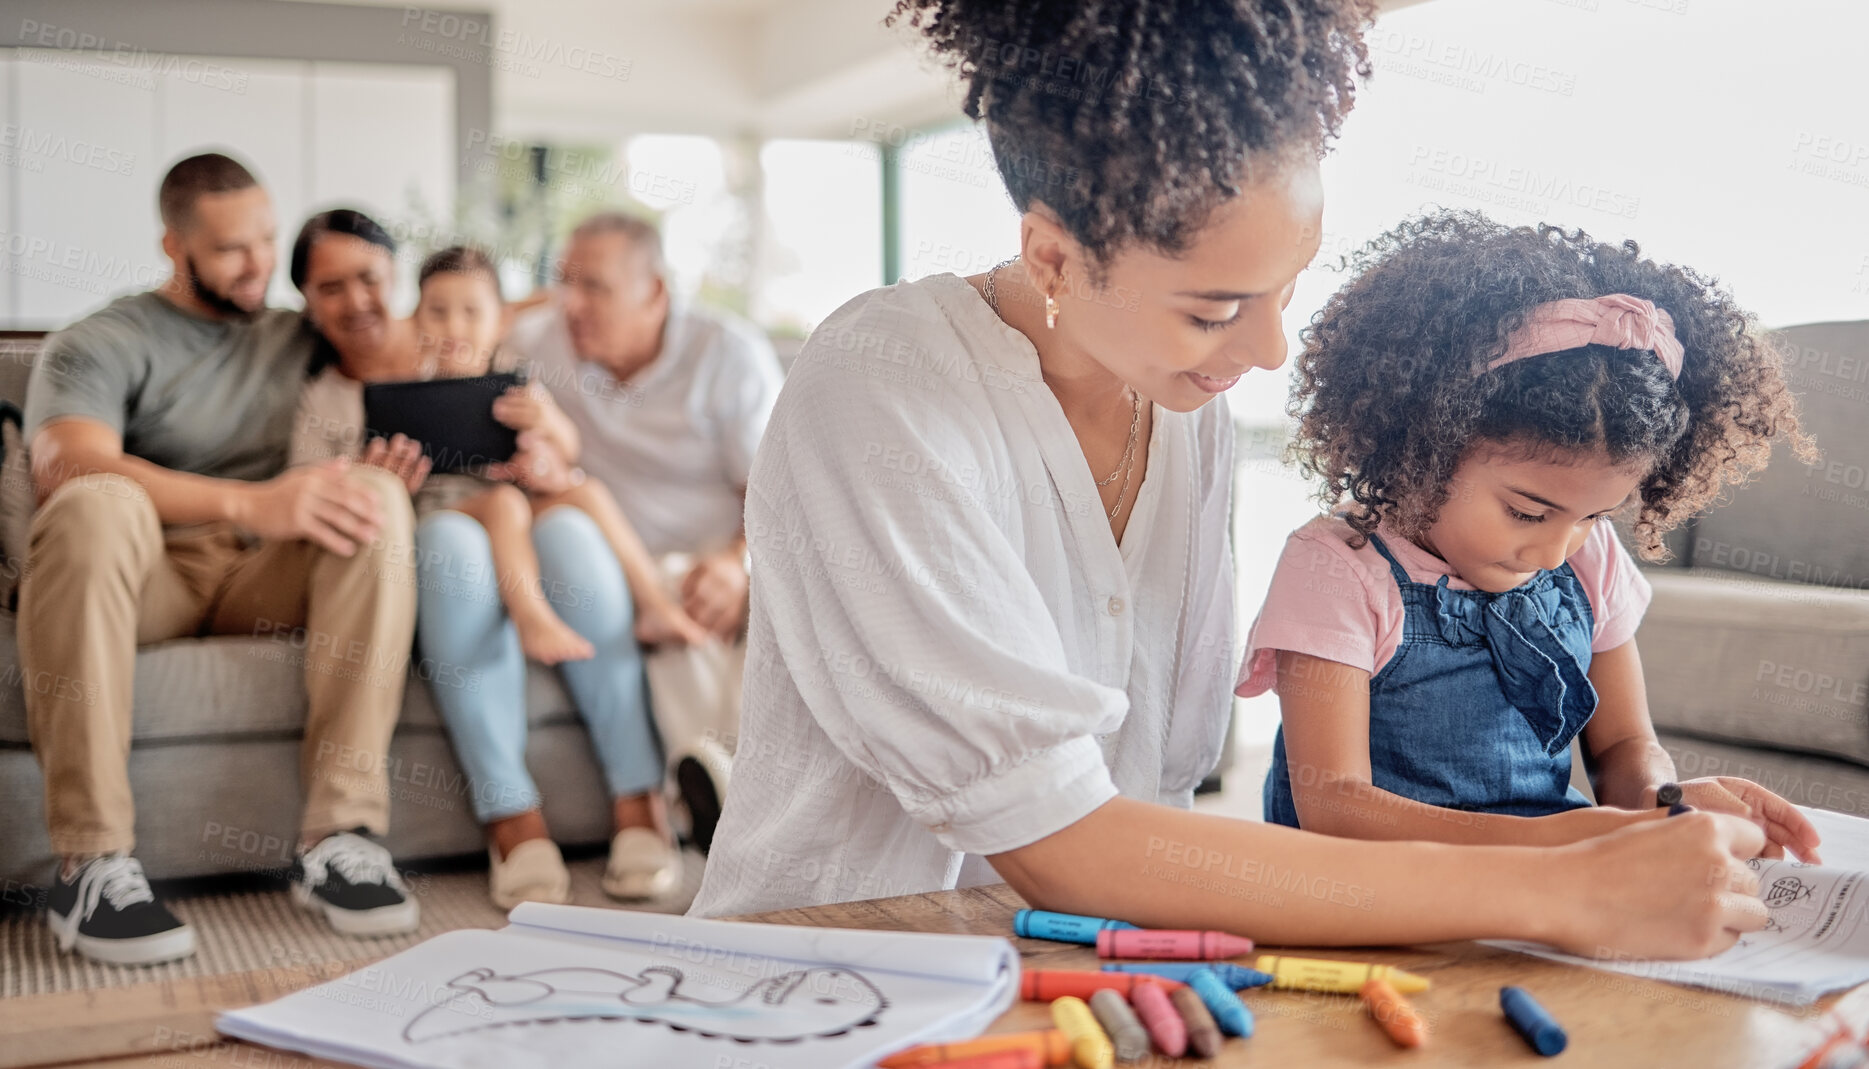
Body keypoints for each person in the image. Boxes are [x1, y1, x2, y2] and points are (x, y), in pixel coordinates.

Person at [689, 0, 1770, 962]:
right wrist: (1560, 879)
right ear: (1055, 259)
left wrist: (1625, 820)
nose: (1269, 349)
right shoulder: (882, 389)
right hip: (842, 974)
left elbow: (1153, 803)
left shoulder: (1178, 401)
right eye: (1215, 308)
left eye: (1287, 286)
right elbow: (1066, 838)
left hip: (1093, 976)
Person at [1241, 210, 1824, 861]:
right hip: (1374, 890)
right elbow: (1332, 805)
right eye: (1526, 511)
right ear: (1427, 443)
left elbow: (1624, 748)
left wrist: (1670, 802)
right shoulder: (1336, 567)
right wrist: (1549, 838)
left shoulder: (1588, 559)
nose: (1552, 552)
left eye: (1593, 517)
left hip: (1547, 874)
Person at [21, 154, 420, 966]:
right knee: (96, 499)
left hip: (258, 575)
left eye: (269, 240)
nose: (260, 264)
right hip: (147, 577)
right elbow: (65, 460)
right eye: (235, 248)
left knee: (372, 496)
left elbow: (442, 325)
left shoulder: (293, 334)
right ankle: (91, 863)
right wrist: (250, 500)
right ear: (175, 246)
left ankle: (337, 838)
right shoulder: (102, 339)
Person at [291, 218, 684, 908]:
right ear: (415, 314)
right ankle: (510, 813)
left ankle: (640, 798)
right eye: (435, 310)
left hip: (528, 521)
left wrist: (548, 448)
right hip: (449, 529)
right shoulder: (364, 395)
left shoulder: (517, 384)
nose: (451, 324)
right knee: (451, 542)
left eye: (470, 310)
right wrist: (382, 482)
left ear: (496, 317)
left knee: (569, 523)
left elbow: (564, 450)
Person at [508, 212, 782, 851]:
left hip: (739, 550)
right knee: (673, 612)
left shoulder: (726, 355)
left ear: (655, 292)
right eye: (562, 283)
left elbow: (780, 493)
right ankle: (730, 796)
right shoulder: (540, 345)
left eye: (594, 287)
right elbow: (457, 311)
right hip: (632, 565)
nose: (571, 305)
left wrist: (738, 564)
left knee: (760, 607)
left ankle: (730, 790)